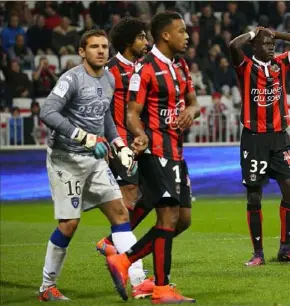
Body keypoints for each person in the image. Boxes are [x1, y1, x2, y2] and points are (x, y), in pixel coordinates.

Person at [37, 29, 139, 301]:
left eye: (104, 46)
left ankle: (140, 281)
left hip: (95, 158)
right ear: (82, 52)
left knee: (120, 214)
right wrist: (82, 136)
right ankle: (47, 287)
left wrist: (119, 143)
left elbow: (104, 113)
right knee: (69, 224)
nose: (101, 51)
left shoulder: (108, 78)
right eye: (94, 46)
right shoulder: (71, 79)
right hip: (66, 159)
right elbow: (47, 111)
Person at [105, 12, 199, 304]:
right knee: (167, 216)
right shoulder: (143, 69)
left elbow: (193, 103)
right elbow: (132, 112)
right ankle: (161, 288)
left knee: (182, 220)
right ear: (166, 36)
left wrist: (190, 112)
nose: (187, 35)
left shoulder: (181, 66)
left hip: (177, 152)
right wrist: (138, 133)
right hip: (154, 151)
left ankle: (125, 260)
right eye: (181, 31)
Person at [229, 26, 290, 266]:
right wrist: (253, 33)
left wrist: (277, 34)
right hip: (254, 138)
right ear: (254, 46)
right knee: (254, 195)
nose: (271, 48)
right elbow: (234, 45)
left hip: (279, 137)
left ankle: (286, 248)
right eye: (265, 44)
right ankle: (258, 253)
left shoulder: (280, 64)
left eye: (272, 44)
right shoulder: (245, 67)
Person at [93, 17, 154, 300]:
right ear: (129, 41)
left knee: (154, 197)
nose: (147, 42)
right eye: (141, 37)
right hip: (121, 144)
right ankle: (136, 274)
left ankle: (110, 242)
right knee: (128, 199)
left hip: (147, 142)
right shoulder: (111, 71)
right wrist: (110, 144)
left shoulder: (147, 68)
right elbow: (101, 110)